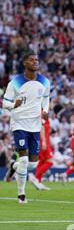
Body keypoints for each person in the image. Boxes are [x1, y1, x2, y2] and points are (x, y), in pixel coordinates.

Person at [1, 50, 50, 203]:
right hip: (19, 123)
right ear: (24, 63)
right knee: (24, 160)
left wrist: (46, 111)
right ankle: (21, 195)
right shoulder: (14, 82)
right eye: (31, 60)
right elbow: (4, 103)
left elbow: (46, 99)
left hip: (35, 125)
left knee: (32, 163)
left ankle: (13, 166)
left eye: (36, 60)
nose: (35, 62)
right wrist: (13, 105)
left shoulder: (45, 82)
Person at [33, 115, 53, 190]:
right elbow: (41, 127)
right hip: (42, 142)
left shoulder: (45, 114)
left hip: (44, 141)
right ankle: (35, 178)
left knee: (42, 162)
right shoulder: (42, 113)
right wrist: (44, 141)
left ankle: (38, 182)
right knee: (50, 162)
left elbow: (46, 130)